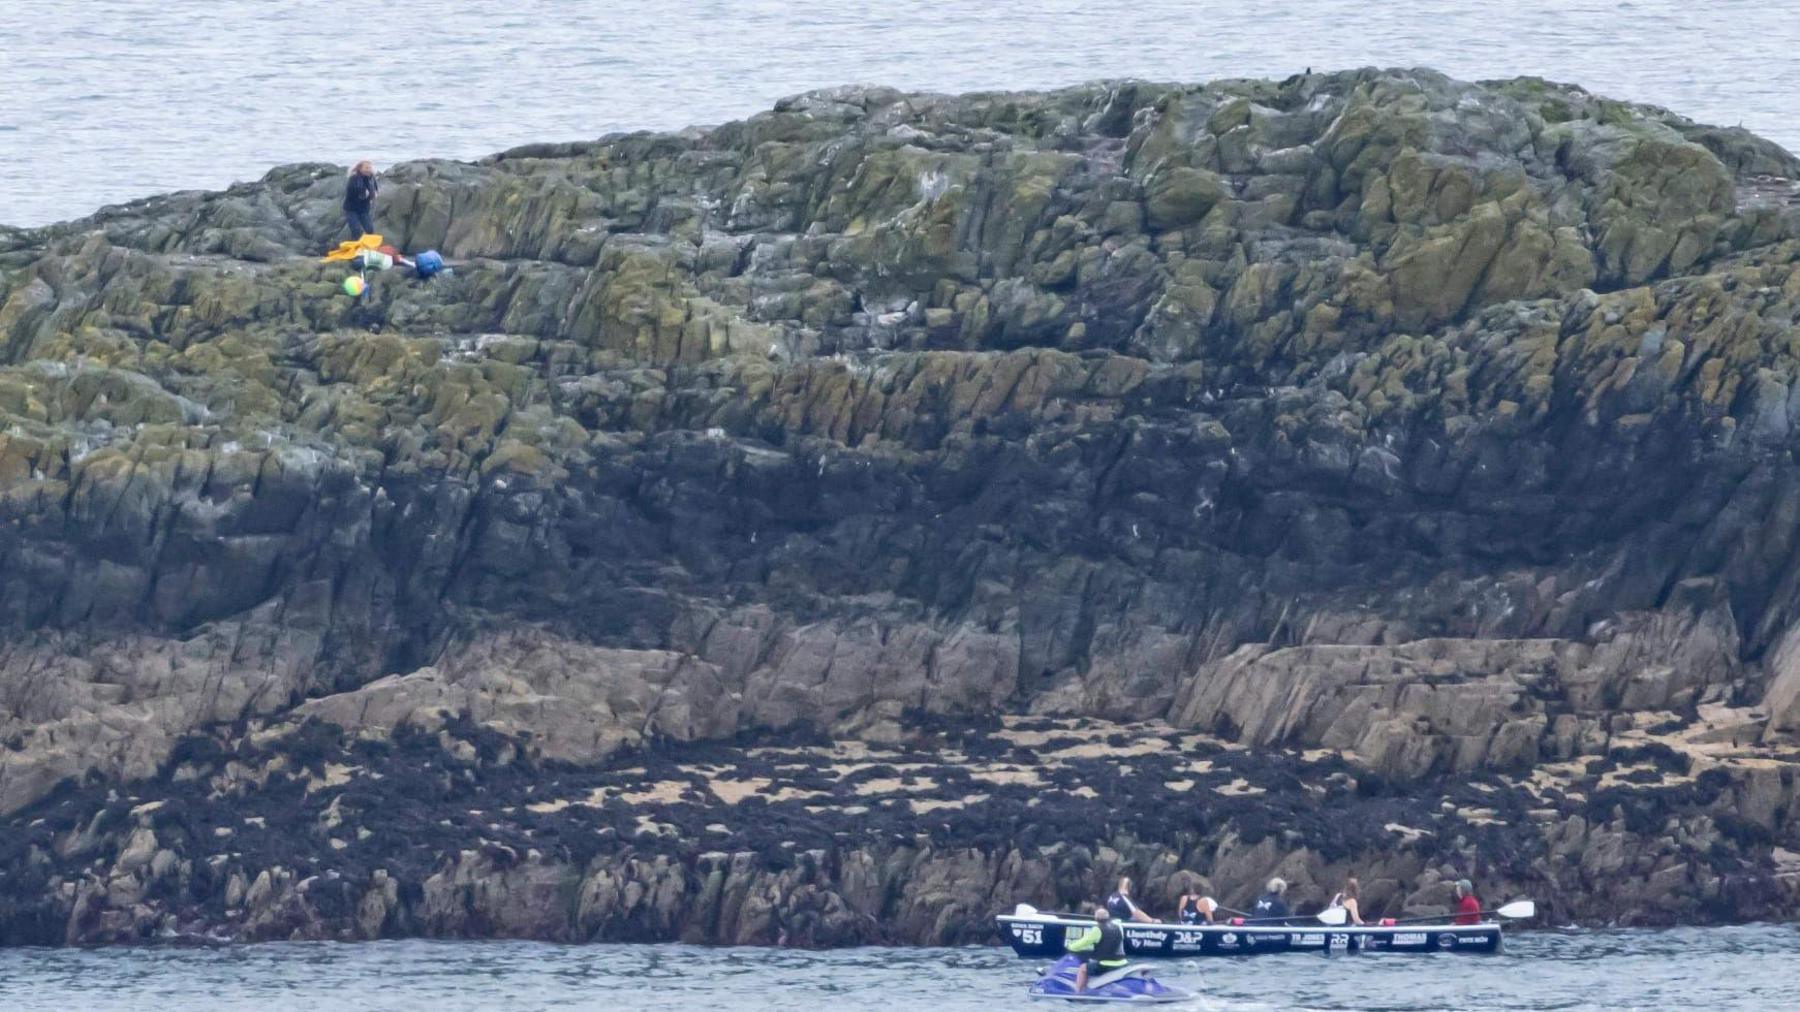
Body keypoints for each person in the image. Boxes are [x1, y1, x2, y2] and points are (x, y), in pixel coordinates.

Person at [1066, 906, 1128, 993]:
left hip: (1106, 965)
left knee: (1083, 968)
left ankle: (1078, 992)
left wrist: (1070, 946)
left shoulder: (1097, 929)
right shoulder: (1118, 926)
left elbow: (1084, 942)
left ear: (1096, 918)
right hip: (1122, 962)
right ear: (1108, 916)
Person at [344, 161, 378, 240]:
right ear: (360, 168)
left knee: (370, 229)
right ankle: (355, 246)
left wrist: (374, 193)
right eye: (366, 168)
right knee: (356, 230)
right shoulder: (354, 178)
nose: (368, 170)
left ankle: (369, 247)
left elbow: (375, 188)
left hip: (364, 209)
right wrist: (363, 192)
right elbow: (351, 191)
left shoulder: (371, 178)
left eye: (369, 168)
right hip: (351, 209)